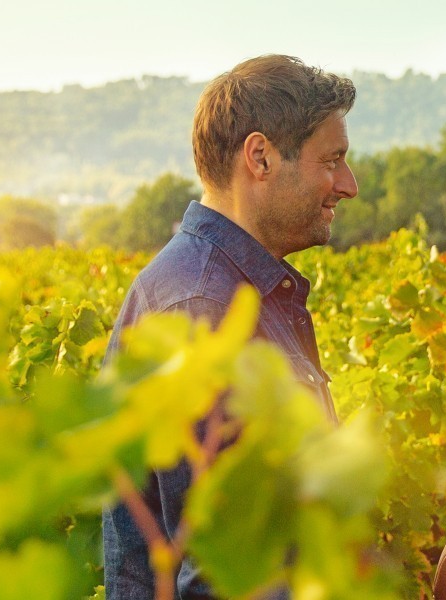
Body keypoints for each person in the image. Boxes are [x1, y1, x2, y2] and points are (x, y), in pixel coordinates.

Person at [101, 54, 358, 598]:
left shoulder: (235, 291)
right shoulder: (205, 307)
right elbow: (220, 578)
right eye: (332, 160)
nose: (348, 184)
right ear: (260, 157)